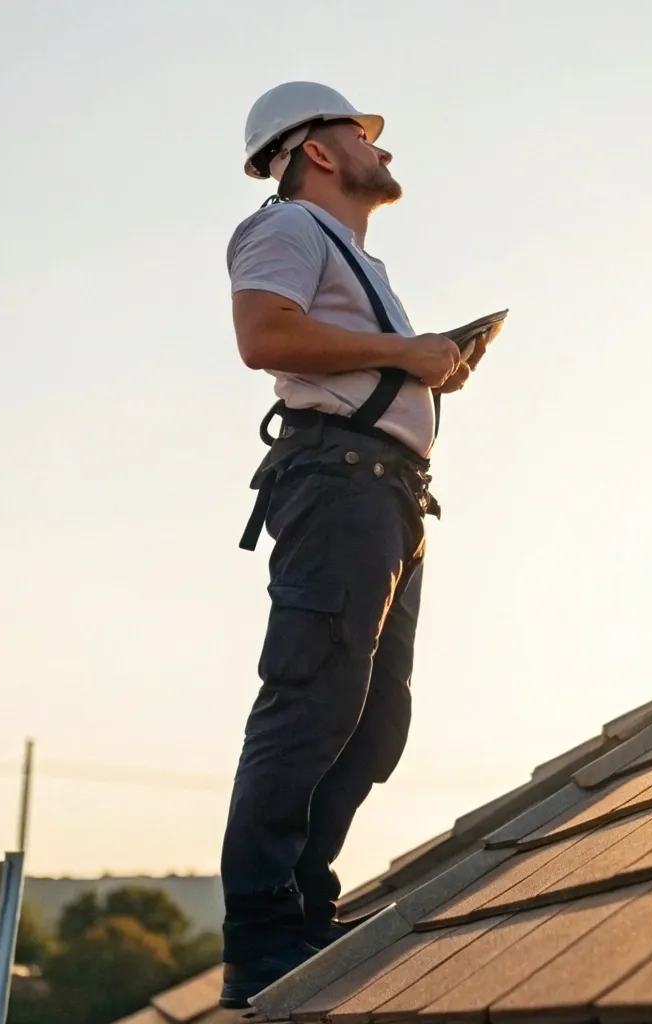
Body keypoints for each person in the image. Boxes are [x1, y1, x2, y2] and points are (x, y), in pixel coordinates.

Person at [215, 80, 497, 1009]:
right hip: (337, 487)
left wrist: (426, 365)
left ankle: (301, 909)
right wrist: (408, 356)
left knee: (372, 721)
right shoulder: (288, 228)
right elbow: (265, 335)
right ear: (319, 152)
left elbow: (327, 348)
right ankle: (261, 939)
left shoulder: (349, 254)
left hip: (381, 493)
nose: (385, 148)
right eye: (362, 133)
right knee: (310, 702)